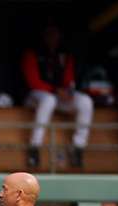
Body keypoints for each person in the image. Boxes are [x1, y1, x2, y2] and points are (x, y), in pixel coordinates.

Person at [22, 24, 94, 170]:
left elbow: (68, 79)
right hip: (35, 97)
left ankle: (78, 148)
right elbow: (33, 82)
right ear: (43, 36)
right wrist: (56, 90)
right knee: (49, 100)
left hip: (58, 97)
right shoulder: (32, 53)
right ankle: (34, 147)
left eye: (55, 34)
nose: (52, 37)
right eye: (49, 34)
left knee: (85, 102)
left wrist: (69, 92)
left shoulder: (65, 54)